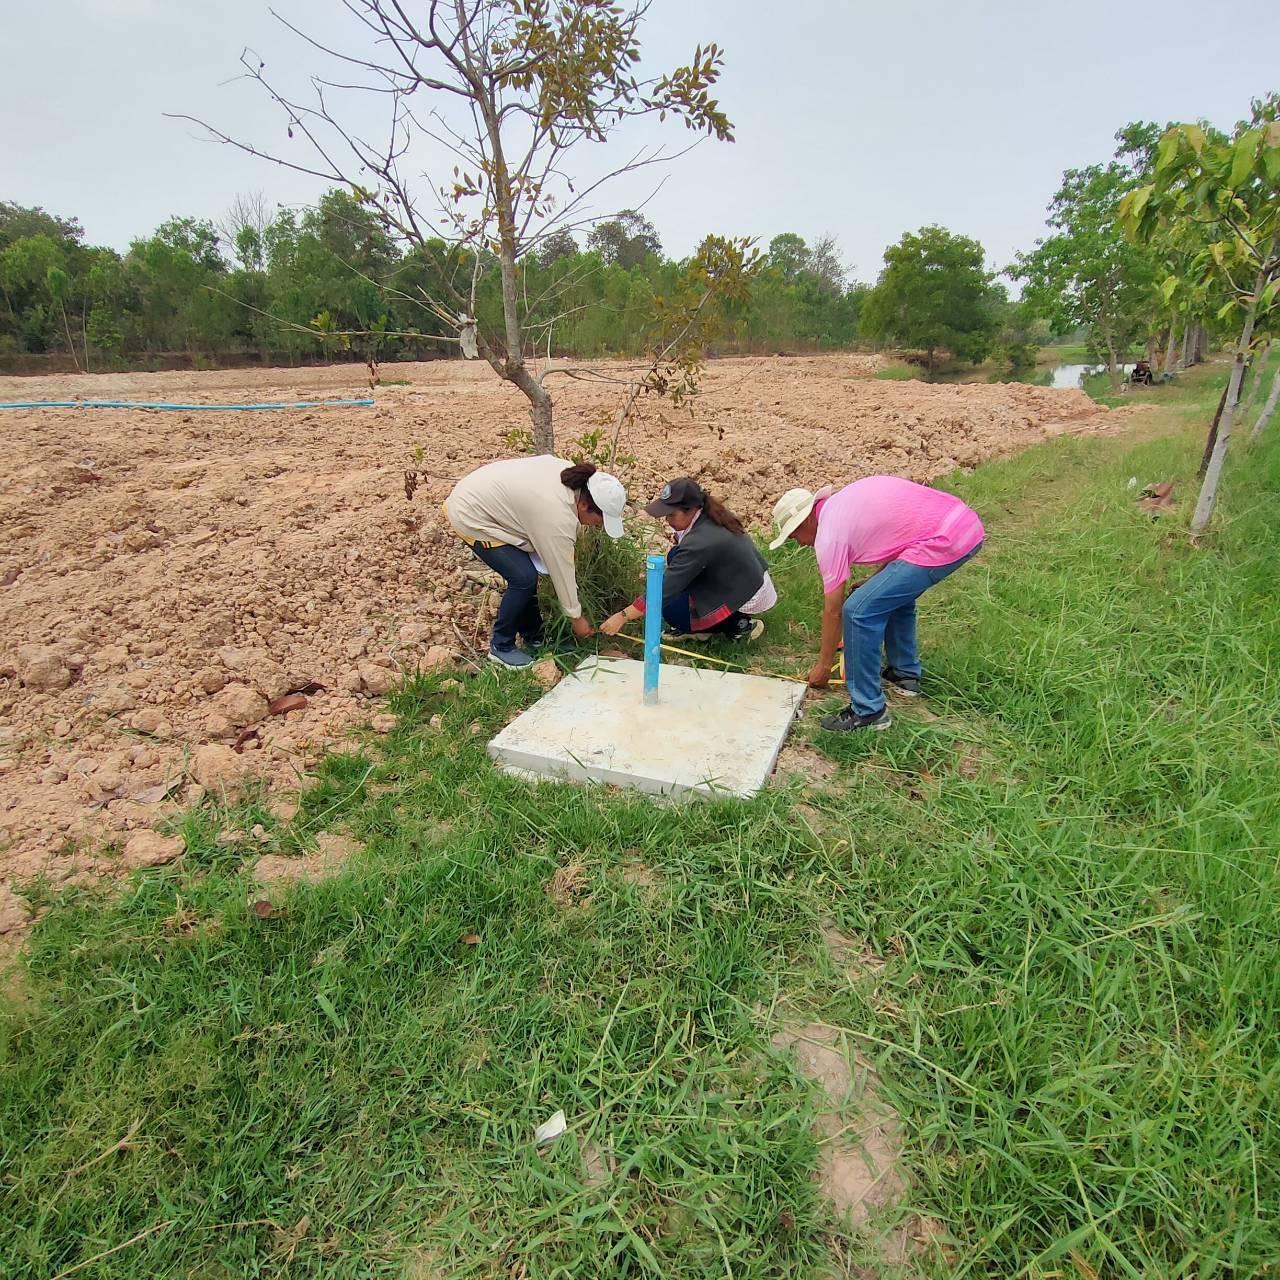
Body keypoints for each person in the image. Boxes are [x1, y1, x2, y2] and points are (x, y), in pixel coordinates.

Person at [769, 476, 984, 733]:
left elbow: (834, 610)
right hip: (962, 524)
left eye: (794, 536)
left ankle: (869, 711)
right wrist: (876, 580)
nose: (800, 543)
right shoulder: (844, 504)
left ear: (805, 521)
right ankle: (904, 675)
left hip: (944, 540)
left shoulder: (829, 535)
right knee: (889, 598)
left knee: (858, 611)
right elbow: (903, 532)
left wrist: (823, 667)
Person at [445, 456, 627, 668]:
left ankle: (535, 637)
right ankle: (501, 646)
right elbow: (562, 571)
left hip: (490, 502)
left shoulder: (573, 482)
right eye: (599, 520)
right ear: (585, 504)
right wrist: (576, 618)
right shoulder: (555, 515)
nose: (598, 526)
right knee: (523, 578)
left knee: (526, 574)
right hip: (472, 515)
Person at [600, 477, 774, 642]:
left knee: (670, 609)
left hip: (748, 594)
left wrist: (622, 616)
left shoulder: (701, 541)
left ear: (690, 509)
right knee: (675, 555)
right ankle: (718, 620)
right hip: (745, 579)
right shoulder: (708, 516)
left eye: (671, 515)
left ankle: (736, 623)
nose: (667, 520)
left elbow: (664, 589)